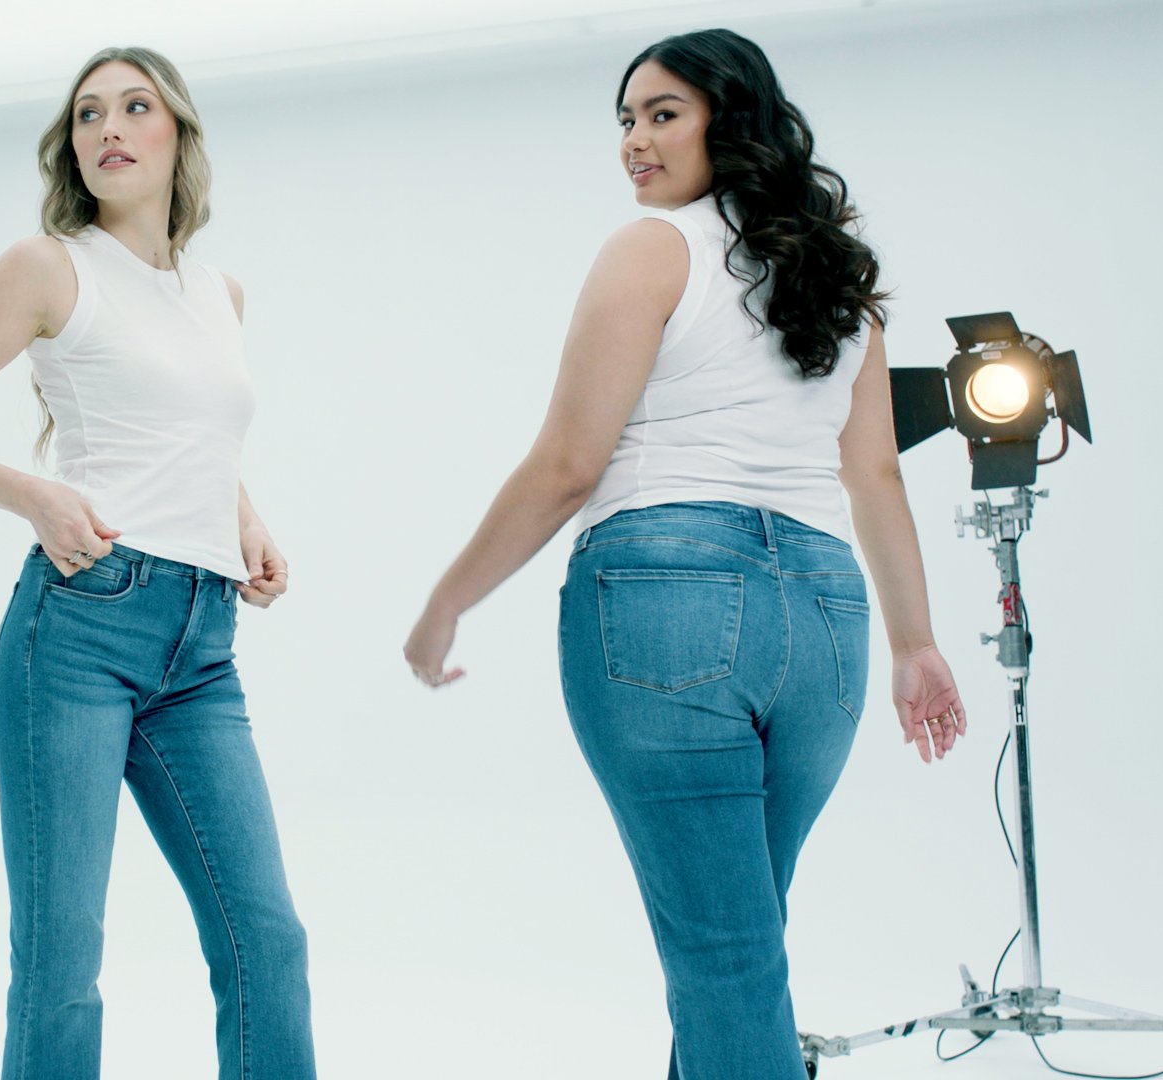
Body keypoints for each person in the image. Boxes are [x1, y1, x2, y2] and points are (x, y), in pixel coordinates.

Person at [401, 28, 967, 1080]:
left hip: (671, 595)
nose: (634, 141)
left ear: (732, 122)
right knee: (740, 945)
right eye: (625, 119)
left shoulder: (654, 248)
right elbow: (876, 476)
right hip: (828, 625)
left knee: (725, 958)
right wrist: (913, 644)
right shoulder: (841, 286)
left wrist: (446, 602)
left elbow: (568, 464)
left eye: (663, 115)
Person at [0, 45, 314, 1080]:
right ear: (71, 147)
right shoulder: (48, 267)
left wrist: (244, 517)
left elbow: (186, 432)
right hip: (77, 632)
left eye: (134, 106)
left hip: (202, 647)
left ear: (179, 134)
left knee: (267, 939)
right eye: (87, 114)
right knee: (62, 961)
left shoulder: (220, 292)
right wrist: (34, 494)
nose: (109, 127)